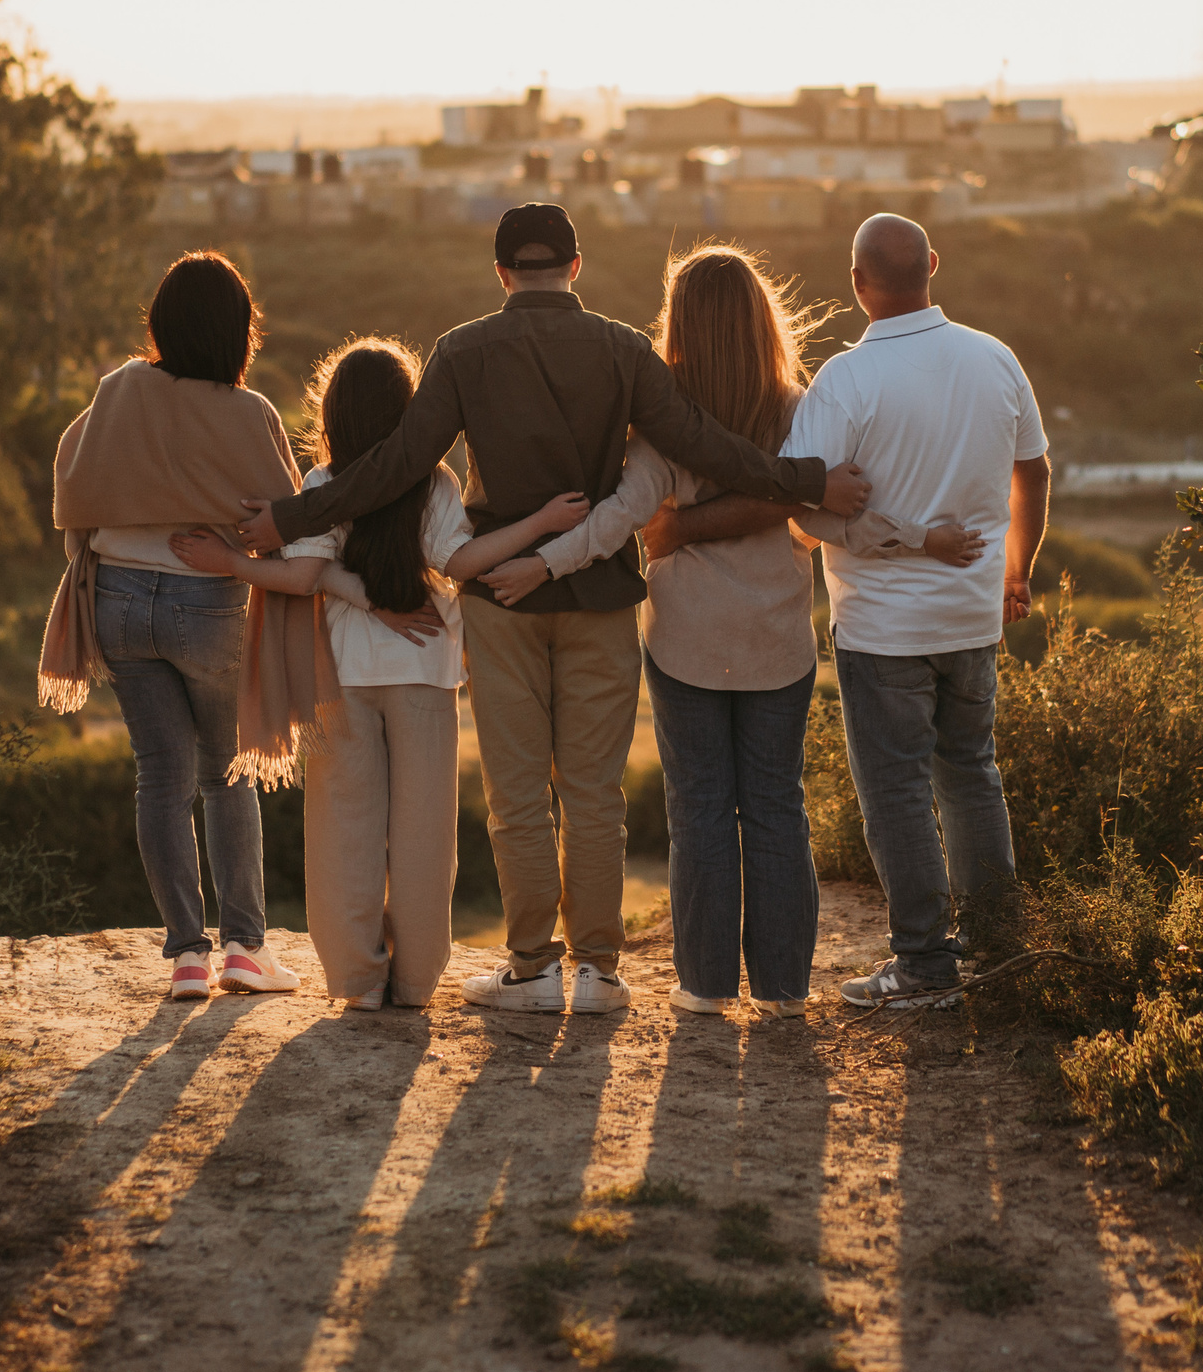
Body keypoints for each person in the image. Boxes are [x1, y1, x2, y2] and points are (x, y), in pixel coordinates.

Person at [234, 205, 872, 1017]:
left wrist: (289, 520)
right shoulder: (625, 350)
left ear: (502, 273)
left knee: (518, 797)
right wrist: (806, 481)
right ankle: (599, 972)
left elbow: (395, 465)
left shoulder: (463, 350)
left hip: (502, 597)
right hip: (600, 593)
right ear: (576, 265)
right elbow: (706, 446)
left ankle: (533, 968)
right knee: (595, 796)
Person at [484, 244, 983, 1019]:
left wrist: (542, 564)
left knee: (701, 809)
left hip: (683, 643)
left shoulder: (663, 421)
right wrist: (921, 538)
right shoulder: (796, 407)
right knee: (777, 806)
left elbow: (620, 520)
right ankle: (783, 990)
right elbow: (829, 512)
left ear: (677, 323)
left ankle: (706, 985)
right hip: (777, 643)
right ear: (762, 318)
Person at [644, 214, 1050, 1010]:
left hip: (882, 629)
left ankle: (926, 964)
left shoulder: (846, 382)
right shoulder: (996, 357)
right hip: (973, 617)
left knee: (894, 791)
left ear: (859, 284)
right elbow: (1032, 468)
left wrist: (900, 541)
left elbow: (807, 508)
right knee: (972, 775)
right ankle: (999, 952)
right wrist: (1016, 570)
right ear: (932, 264)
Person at [175, 337, 594, 1011]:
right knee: (426, 834)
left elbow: (302, 575)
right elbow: (462, 564)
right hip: (426, 673)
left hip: (344, 672)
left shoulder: (323, 483)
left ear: (333, 413)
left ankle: (359, 982)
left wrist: (230, 563)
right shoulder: (433, 483)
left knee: (346, 828)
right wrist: (542, 522)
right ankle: (417, 980)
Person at [37, 252, 338, 1003]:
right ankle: (243, 945)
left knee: (160, 775)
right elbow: (282, 521)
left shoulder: (117, 391)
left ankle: (185, 957)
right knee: (224, 770)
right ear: (239, 332)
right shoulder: (250, 412)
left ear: (161, 322)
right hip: (208, 602)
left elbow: (71, 483)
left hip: (117, 601)